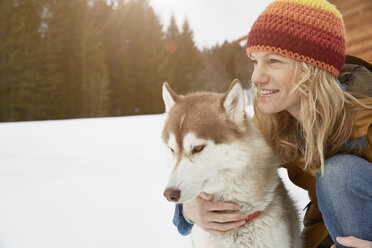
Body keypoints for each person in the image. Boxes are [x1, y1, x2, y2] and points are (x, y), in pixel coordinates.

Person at [170, 0, 372, 248]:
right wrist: (190, 208)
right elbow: (222, 161)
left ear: (311, 68)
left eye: (274, 61)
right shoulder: (272, 121)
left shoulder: (367, 116)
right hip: (328, 230)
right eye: (255, 61)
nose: (256, 77)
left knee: (340, 173)